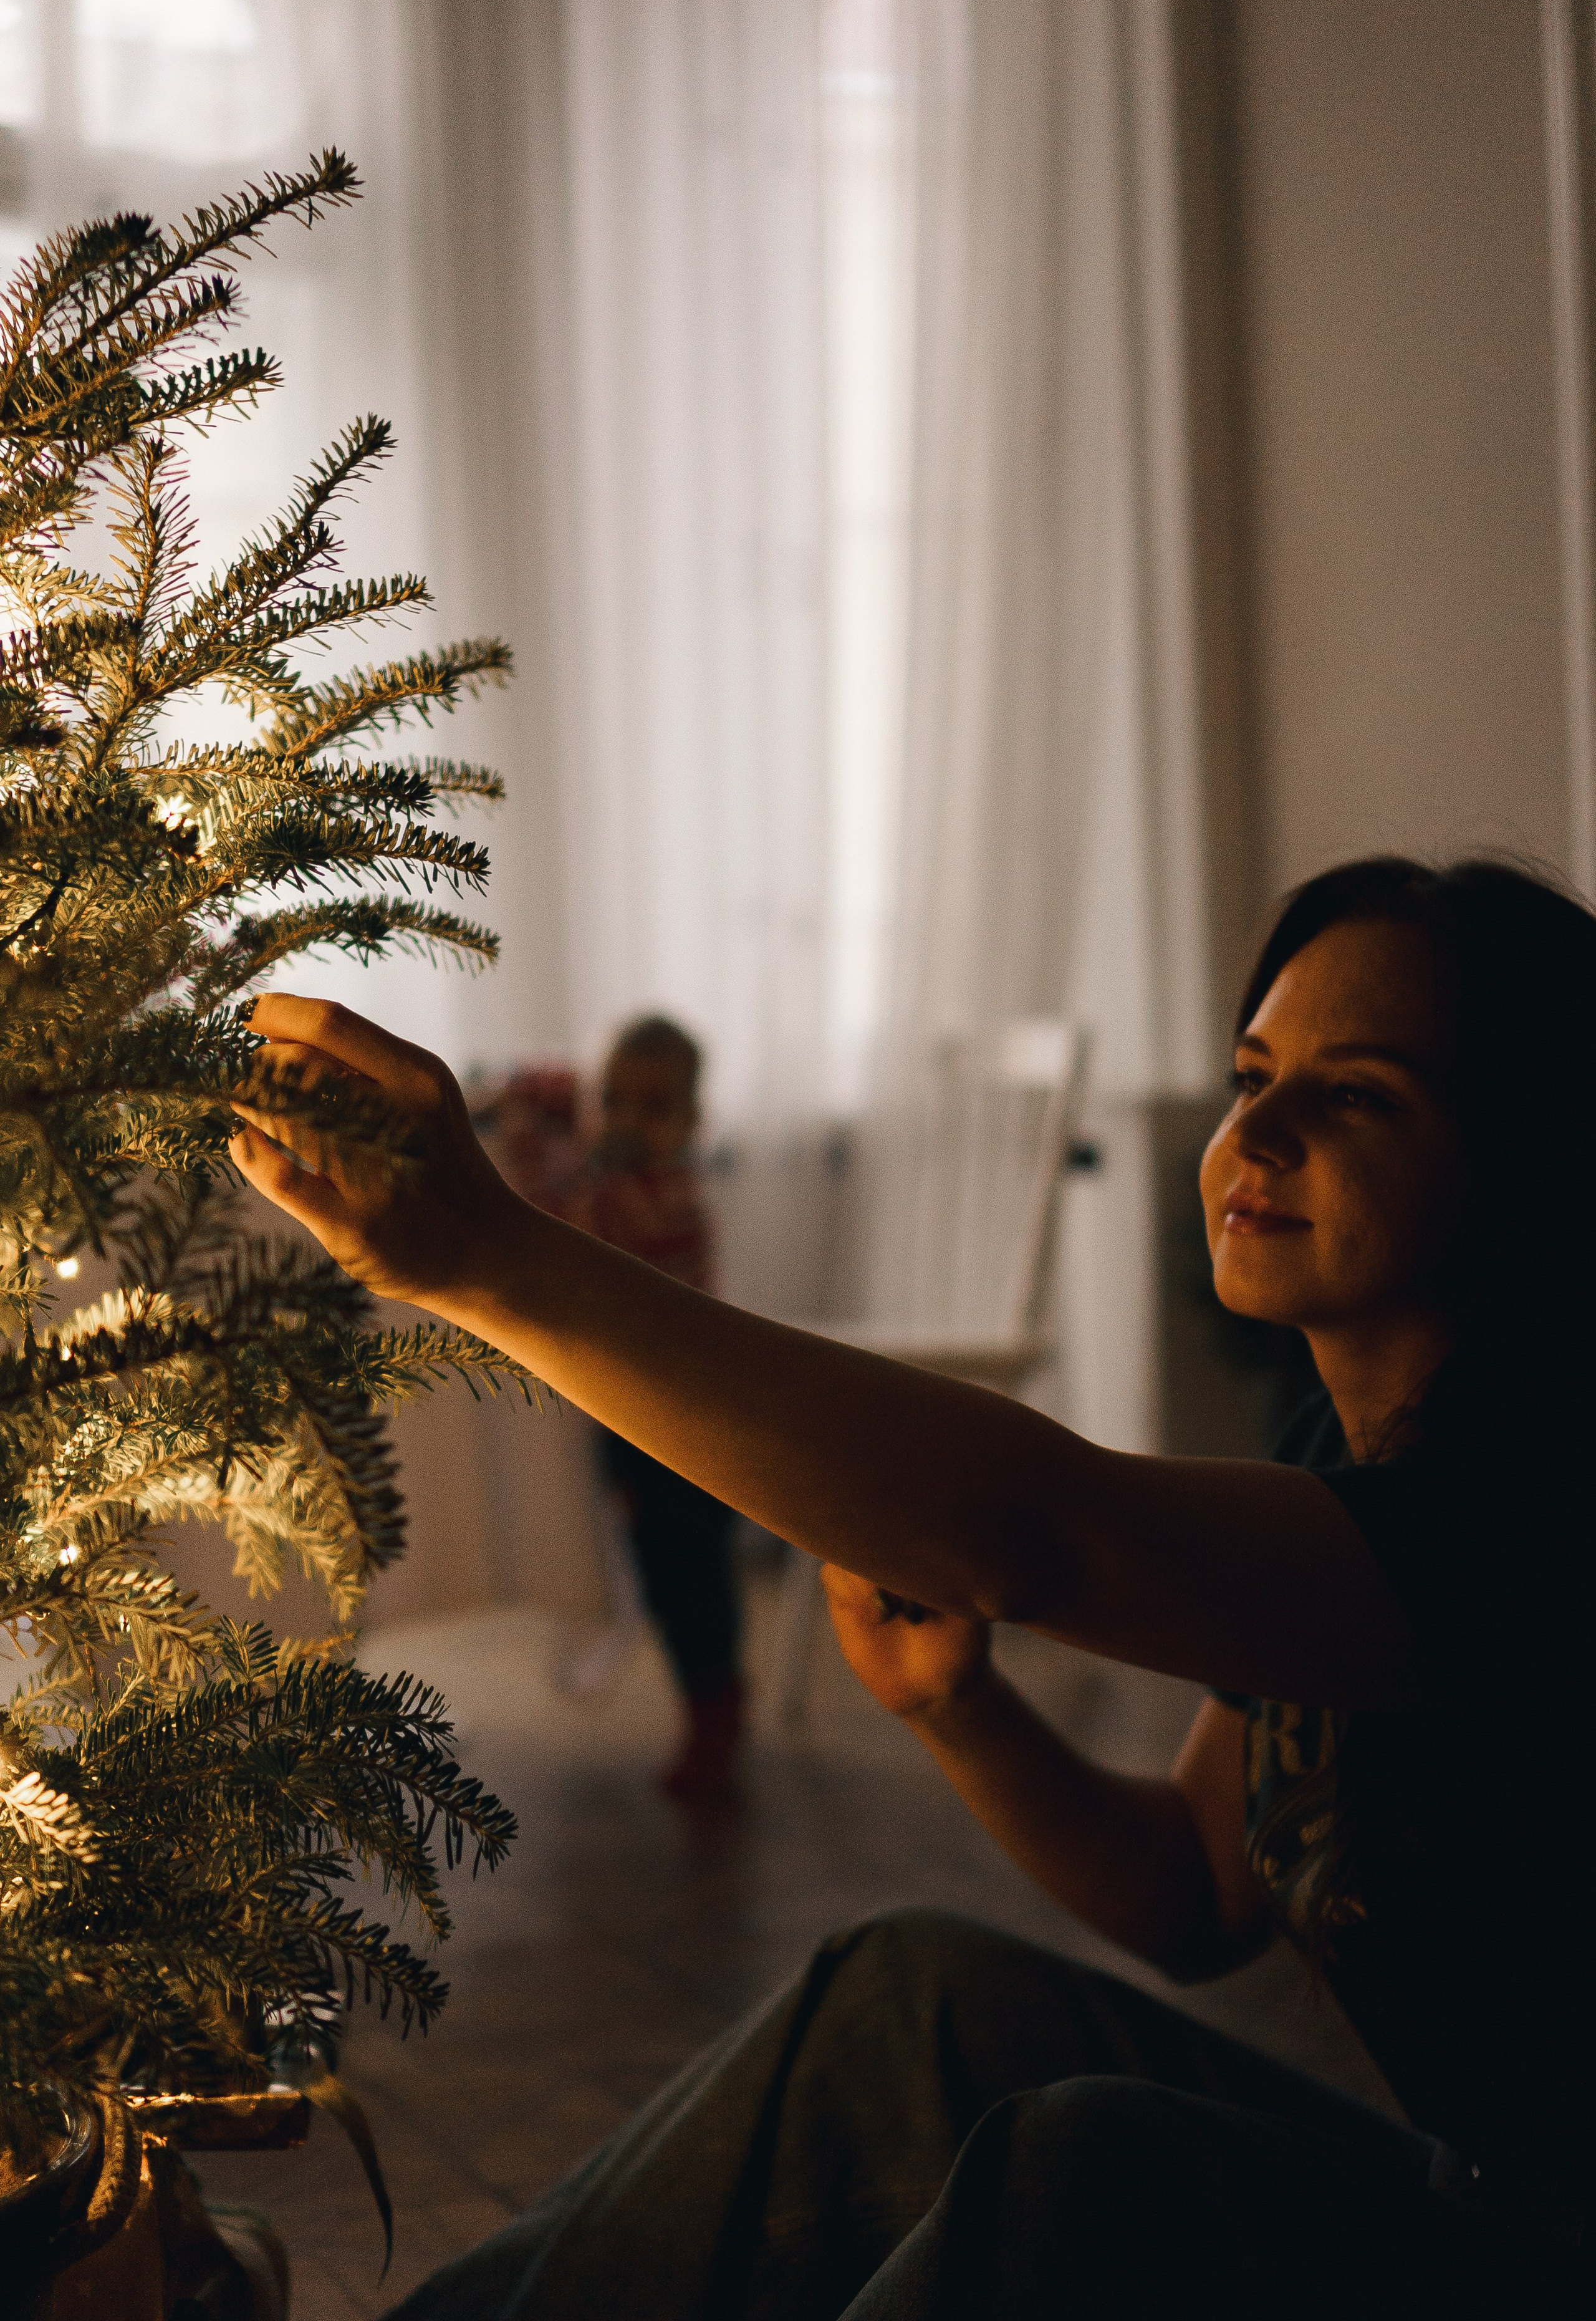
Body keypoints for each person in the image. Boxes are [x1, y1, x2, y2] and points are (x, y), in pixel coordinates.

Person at [232, 856, 1591, 2319]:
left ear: (1522, 1164)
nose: (1252, 1128)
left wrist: (490, 1258)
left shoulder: (1531, 1496)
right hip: (1470, 2201)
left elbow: (1039, 1528)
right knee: (910, 1999)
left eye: (1357, 1094)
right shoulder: (1338, 1439)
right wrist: (962, 1709)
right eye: (1251, 1072)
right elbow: (1197, 1888)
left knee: (1097, 2168)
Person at [569, 1016, 745, 1798]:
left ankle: (716, 1708)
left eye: (655, 1106)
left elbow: (595, 1228)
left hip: (691, 1415)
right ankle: (704, 1700)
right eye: (613, 1101)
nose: (629, 1122)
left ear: (694, 1123)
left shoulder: (667, 1197)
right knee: (658, 1565)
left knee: (692, 1570)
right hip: (632, 1411)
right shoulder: (615, 1181)